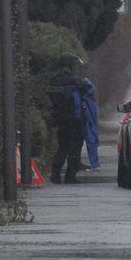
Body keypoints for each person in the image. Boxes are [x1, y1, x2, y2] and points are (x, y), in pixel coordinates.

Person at [47, 52, 88, 184]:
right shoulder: (73, 80)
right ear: (70, 65)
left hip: (60, 118)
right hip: (74, 118)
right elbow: (84, 89)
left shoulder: (53, 80)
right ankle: (70, 176)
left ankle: (55, 174)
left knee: (63, 146)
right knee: (75, 147)